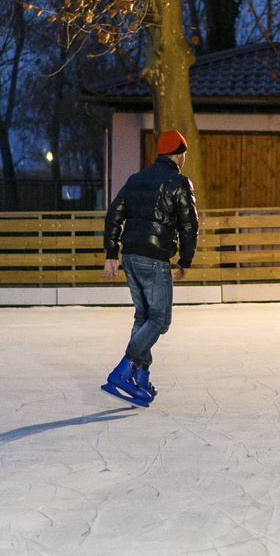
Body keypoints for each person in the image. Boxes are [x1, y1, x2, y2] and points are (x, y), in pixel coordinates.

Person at [101, 129, 199, 407]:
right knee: (160, 320)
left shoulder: (136, 179)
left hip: (130, 256)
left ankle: (140, 378)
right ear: (179, 154)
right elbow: (190, 226)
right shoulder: (179, 182)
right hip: (154, 257)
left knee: (143, 317)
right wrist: (186, 260)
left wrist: (112, 253)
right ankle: (124, 370)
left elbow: (114, 215)